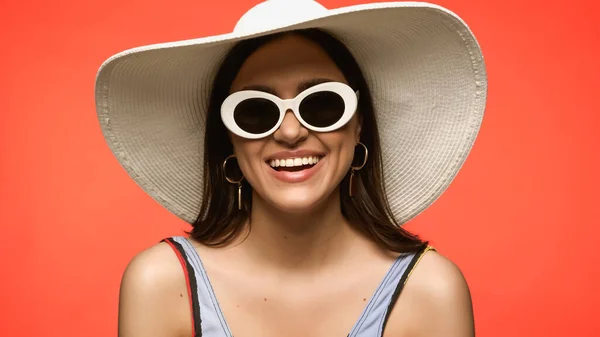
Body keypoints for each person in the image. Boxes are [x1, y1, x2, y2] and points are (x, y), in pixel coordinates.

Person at [95, 0, 487, 336]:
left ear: (359, 124)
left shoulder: (431, 290)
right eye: (255, 111)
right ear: (228, 138)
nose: (290, 131)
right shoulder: (162, 284)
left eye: (322, 105)